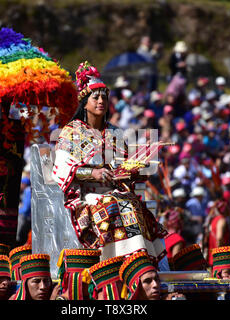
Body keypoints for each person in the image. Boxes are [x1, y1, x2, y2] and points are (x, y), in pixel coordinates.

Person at [52, 61, 167, 263]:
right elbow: (62, 167)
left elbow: (123, 164)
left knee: (133, 205)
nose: (101, 101)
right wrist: (92, 173)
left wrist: (135, 171)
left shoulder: (114, 131)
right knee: (115, 205)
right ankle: (113, 260)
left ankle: (139, 260)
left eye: (104, 97)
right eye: (95, 97)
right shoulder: (71, 132)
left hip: (115, 191)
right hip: (87, 195)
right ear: (84, 102)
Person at [202, 200, 230, 265]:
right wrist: (219, 254)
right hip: (219, 258)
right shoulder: (221, 220)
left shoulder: (213, 220)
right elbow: (219, 237)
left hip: (212, 256)